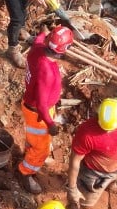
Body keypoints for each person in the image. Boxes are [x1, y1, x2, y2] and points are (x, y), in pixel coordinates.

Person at [17, 26, 75, 193]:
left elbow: (37, 40)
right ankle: (26, 172)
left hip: (34, 107)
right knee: (41, 148)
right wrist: (50, 124)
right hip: (38, 114)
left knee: (34, 140)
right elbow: (42, 105)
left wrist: (43, 32)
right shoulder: (46, 71)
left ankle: (30, 152)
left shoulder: (38, 50)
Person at [66, 98, 117, 209]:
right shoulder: (86, 134)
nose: (107, 132)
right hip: (96, 174)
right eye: (103, 127)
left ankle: (112, 185)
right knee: (86, 202)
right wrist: (72, 188)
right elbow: (75, 160)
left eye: (110, 129)